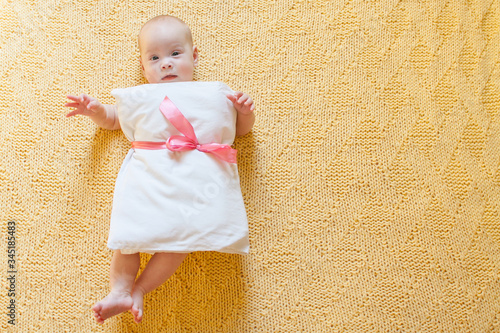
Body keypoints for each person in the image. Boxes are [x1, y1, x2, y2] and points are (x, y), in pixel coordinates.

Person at [64, 15, 255, 324]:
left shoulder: (216, 94)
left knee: (178, 242)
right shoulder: (142, 96)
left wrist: (244, 112)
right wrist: (96, 111)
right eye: (154, 58)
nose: (165, 63)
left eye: (175, 54)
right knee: (130, 237)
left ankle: (139, 289)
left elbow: (239, 131)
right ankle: (120, 289)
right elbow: (115, 120)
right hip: (150, 181)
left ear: (194, 56)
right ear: (143, 67)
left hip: (196, 188)